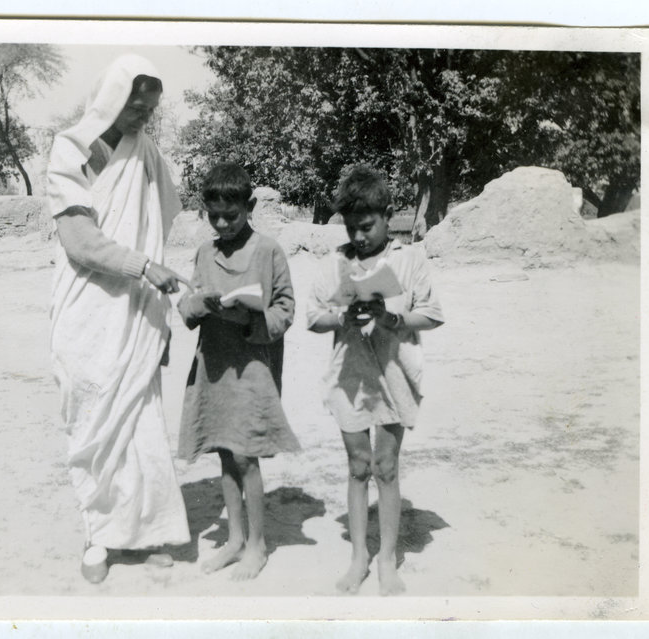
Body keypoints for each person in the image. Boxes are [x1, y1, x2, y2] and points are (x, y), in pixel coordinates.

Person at [47, 54, 191, 584]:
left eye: (150, 110)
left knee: (140, 420)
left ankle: (148, 532)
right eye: (136, 106)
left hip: (137, 310)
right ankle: (98, 537)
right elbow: (80, 241)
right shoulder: (70, 150)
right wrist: (144, 267)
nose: (142, 117)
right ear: (113, 98)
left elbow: (163, 221)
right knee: (94, 421)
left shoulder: (148, 153)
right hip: (87, 309)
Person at [306, 165, 444, 595]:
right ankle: (358, 558)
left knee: (385, 466)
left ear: (388, 215)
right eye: (351, 228)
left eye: (367, 226)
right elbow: (313, 317)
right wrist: (340, 318)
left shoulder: (409, 259)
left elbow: (432, 314)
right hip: (349, 376)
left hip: (393, 374)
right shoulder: (336, 262)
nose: (359, 236)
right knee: (357, 466)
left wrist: (393, 319)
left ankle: (386, 558)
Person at [176, 162, 300, 581]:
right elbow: (188, 304)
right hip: (214, 365)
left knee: (246, 456)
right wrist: (197, 305)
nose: (223, 224)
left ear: (250, 207)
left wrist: (250, 320)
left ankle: (257, 545)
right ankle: (234, 539)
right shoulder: (204, 253)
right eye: (214, 216)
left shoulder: (268, 251)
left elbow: (285, 308)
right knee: (225, 452)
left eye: (231, 215)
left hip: (252, 365)